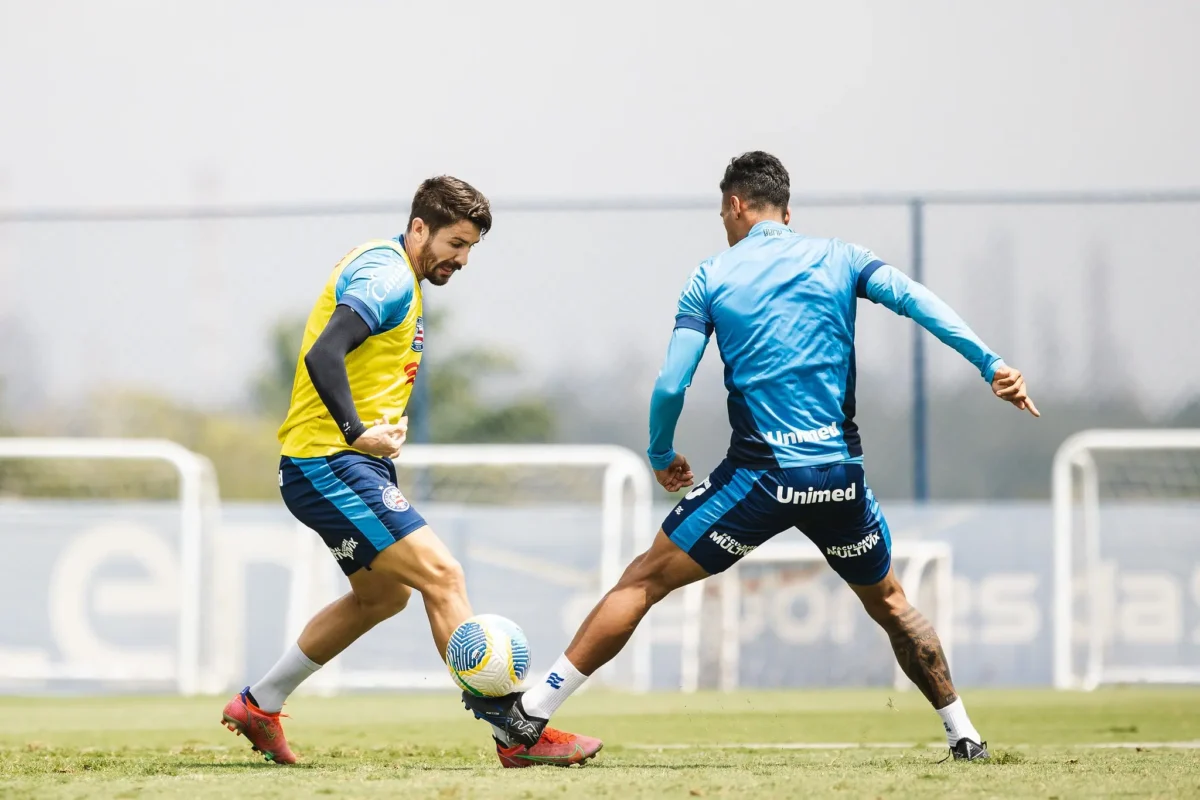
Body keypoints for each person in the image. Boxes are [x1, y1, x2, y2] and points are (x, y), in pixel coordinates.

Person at [465, 152, 1039, 761]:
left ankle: (530, 715)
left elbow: (670, 384)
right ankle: (964, 733)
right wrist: (991, 364)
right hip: (841, 477)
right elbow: (917, 300)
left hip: (761, 477)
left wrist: (661, 452)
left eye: (723, 215)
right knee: (893, 604)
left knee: (643, 579)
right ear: (787, 212)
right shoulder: (843, 258)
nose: (725, 226)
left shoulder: (711, 276)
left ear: (736, 206)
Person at [220, 175, 602, 768]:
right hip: (330, 461)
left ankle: (259, 703)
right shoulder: (390, 276)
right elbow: (324, 351)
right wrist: (356, 431)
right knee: (443, 577)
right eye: (456, 243)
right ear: (419, 227)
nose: (463, 259)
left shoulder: (391, 266)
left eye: (472, 247)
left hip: (343, 463)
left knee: (382, 598)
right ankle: (518, 734)